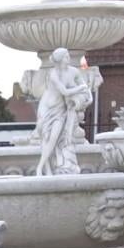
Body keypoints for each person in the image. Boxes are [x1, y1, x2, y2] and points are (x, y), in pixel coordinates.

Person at [35, 48, 92, 176]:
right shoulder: (53, 74)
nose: (69, 58)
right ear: (60, 60)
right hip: (47, 109)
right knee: (47, 138)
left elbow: (85, 87)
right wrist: (81, 88)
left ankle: (41, 166)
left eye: (68, 56)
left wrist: (87, 96)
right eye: (66, 56)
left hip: (60, 110)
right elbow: (65, 92)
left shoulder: (74, 71)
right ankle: (44, 168)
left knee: (54, 139)